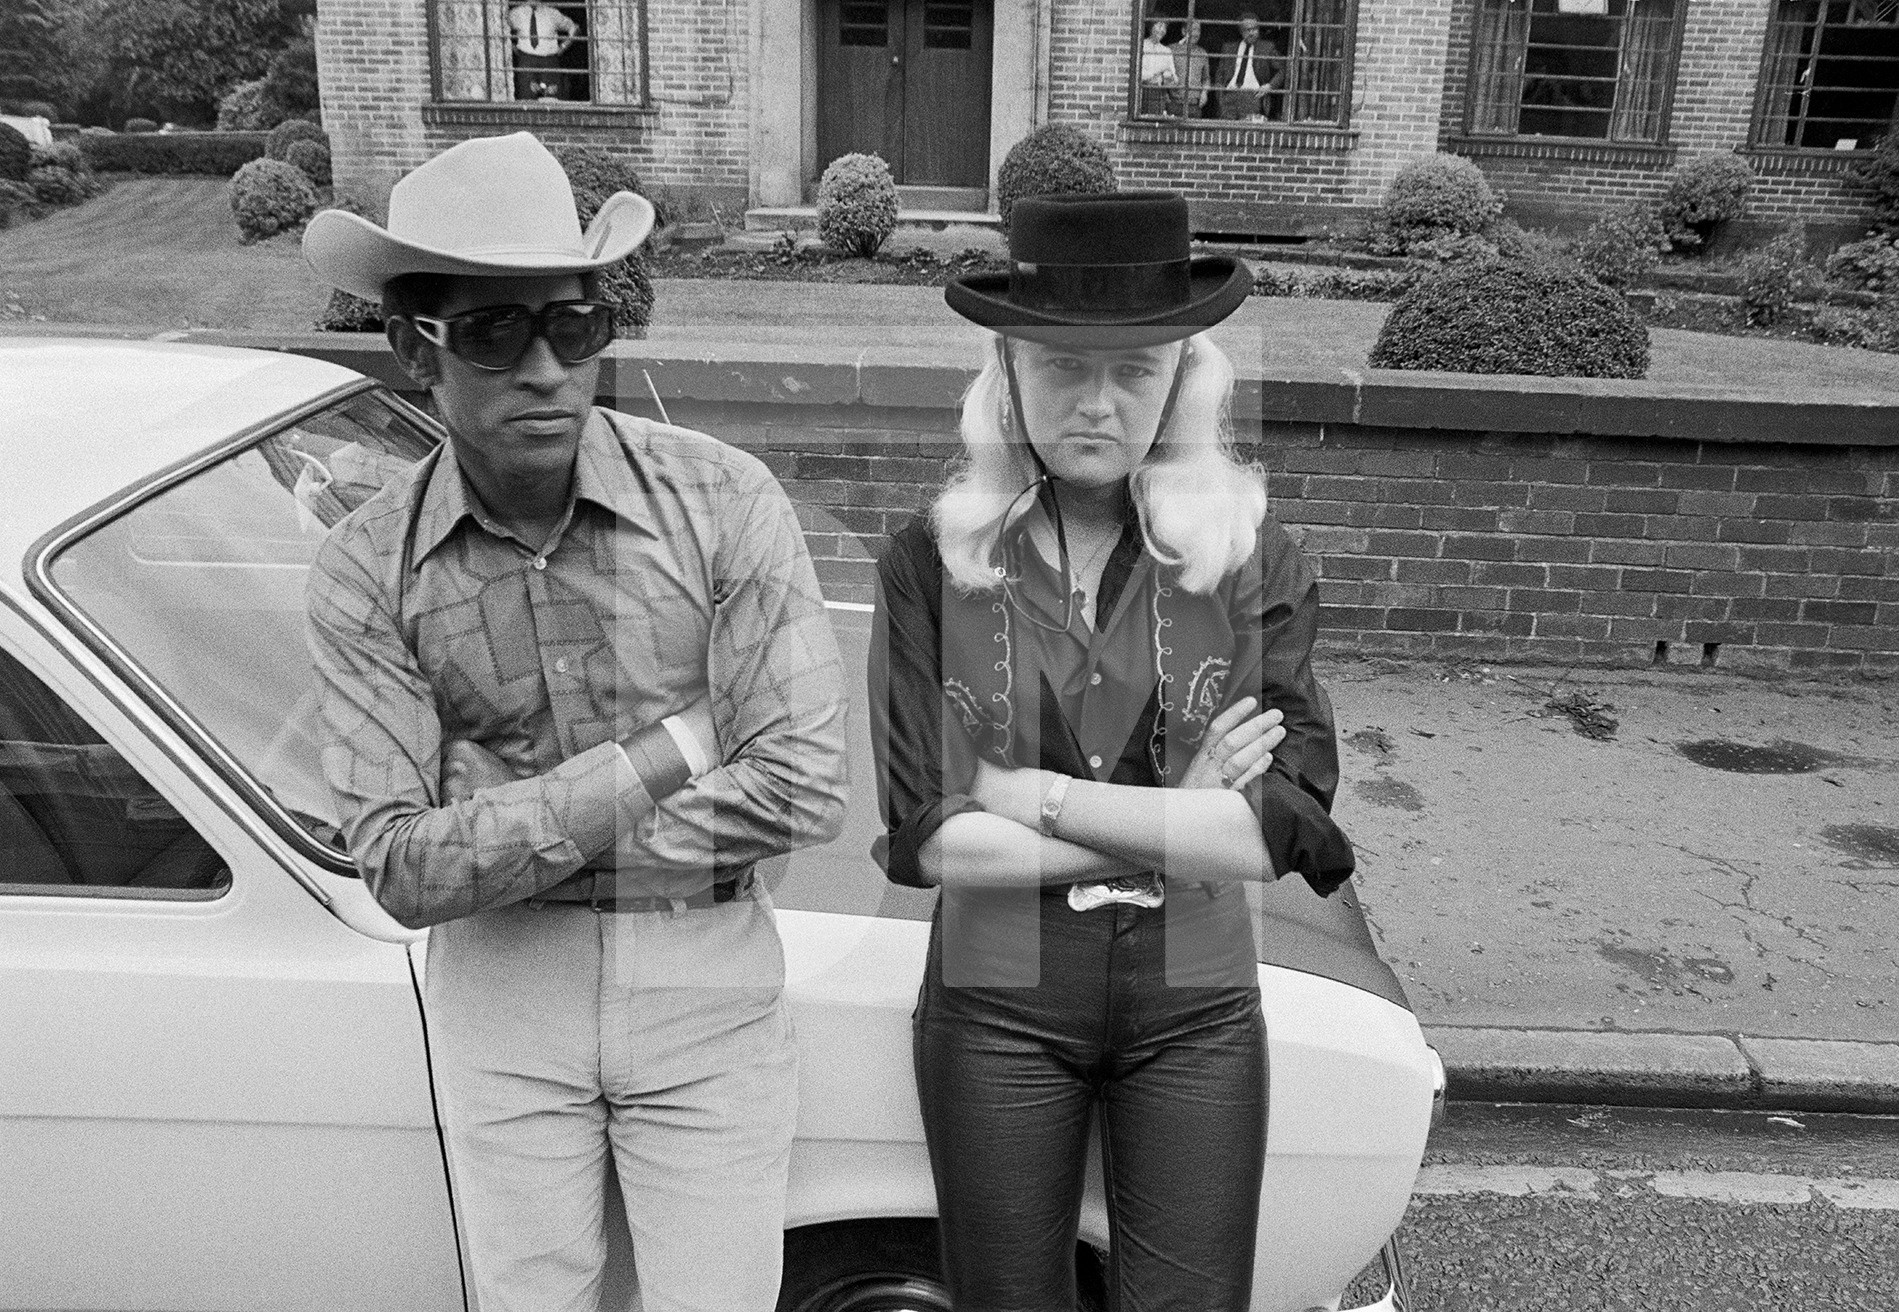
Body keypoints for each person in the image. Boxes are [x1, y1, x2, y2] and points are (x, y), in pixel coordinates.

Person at [299, 132, 848, 1312]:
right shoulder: (365, 571)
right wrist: (683, 745)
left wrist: (490, 810)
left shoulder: (722, 502)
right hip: (505, 1001)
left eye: (576, 324)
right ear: (414, 348)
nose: (548, 367)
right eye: (498, 332)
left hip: (708, 987)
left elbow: (803, 788)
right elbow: (398, 863)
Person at [868, 191, 1354, 1312]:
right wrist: (1170, 821)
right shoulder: (930, 563)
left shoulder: (1245, 558)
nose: (1096, 401)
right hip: (997, 997)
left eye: (1136, 370)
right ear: (1009, 368)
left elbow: (1274, 822)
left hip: (1193, 1000)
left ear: (1182, 377)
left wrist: (1030, 792)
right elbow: (933, 838)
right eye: (1060, 367)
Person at [1219, 11, 1286, 121]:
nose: (1251, 33)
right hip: (1230, 96)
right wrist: (1221, 97)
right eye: (1247, 30)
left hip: (1252, 96)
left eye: (1254, 29)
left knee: (1248, 133)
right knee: (1226, 133)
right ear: (1241, 31)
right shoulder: (1228, 48)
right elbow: (1220, 75)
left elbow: (1283, 69)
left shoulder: (1267, 48)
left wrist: (1269, 86)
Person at [508, 0, 580, 99]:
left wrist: (563, 47)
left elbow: (574, 28)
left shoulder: (552, 13)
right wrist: (511, 46)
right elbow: (499, 27)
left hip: (549, 61)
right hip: (526, 61)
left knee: (551, 98)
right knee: (526, 98)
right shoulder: (516, 13)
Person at [1172, 19, 1215, 120]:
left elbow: (1206, 78)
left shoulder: (1202, 53)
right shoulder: (1172, 50)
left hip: (1194, 105)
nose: (1196, 33)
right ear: (1183, 31)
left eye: (1198, 30)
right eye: (1193, 29)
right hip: (1174, 102)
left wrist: (1204, 93)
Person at [1138, 20, 1179, 117]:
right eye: (1159, 26)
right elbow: (1138, 74)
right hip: (1142, 91)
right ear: (1151, 27)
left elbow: (1174, 79)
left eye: (1164, 28)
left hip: (1159, 93)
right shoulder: (1141, 46)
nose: (1162, 30)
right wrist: (1157, 71)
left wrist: (1169, 78)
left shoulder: (1166, 51)